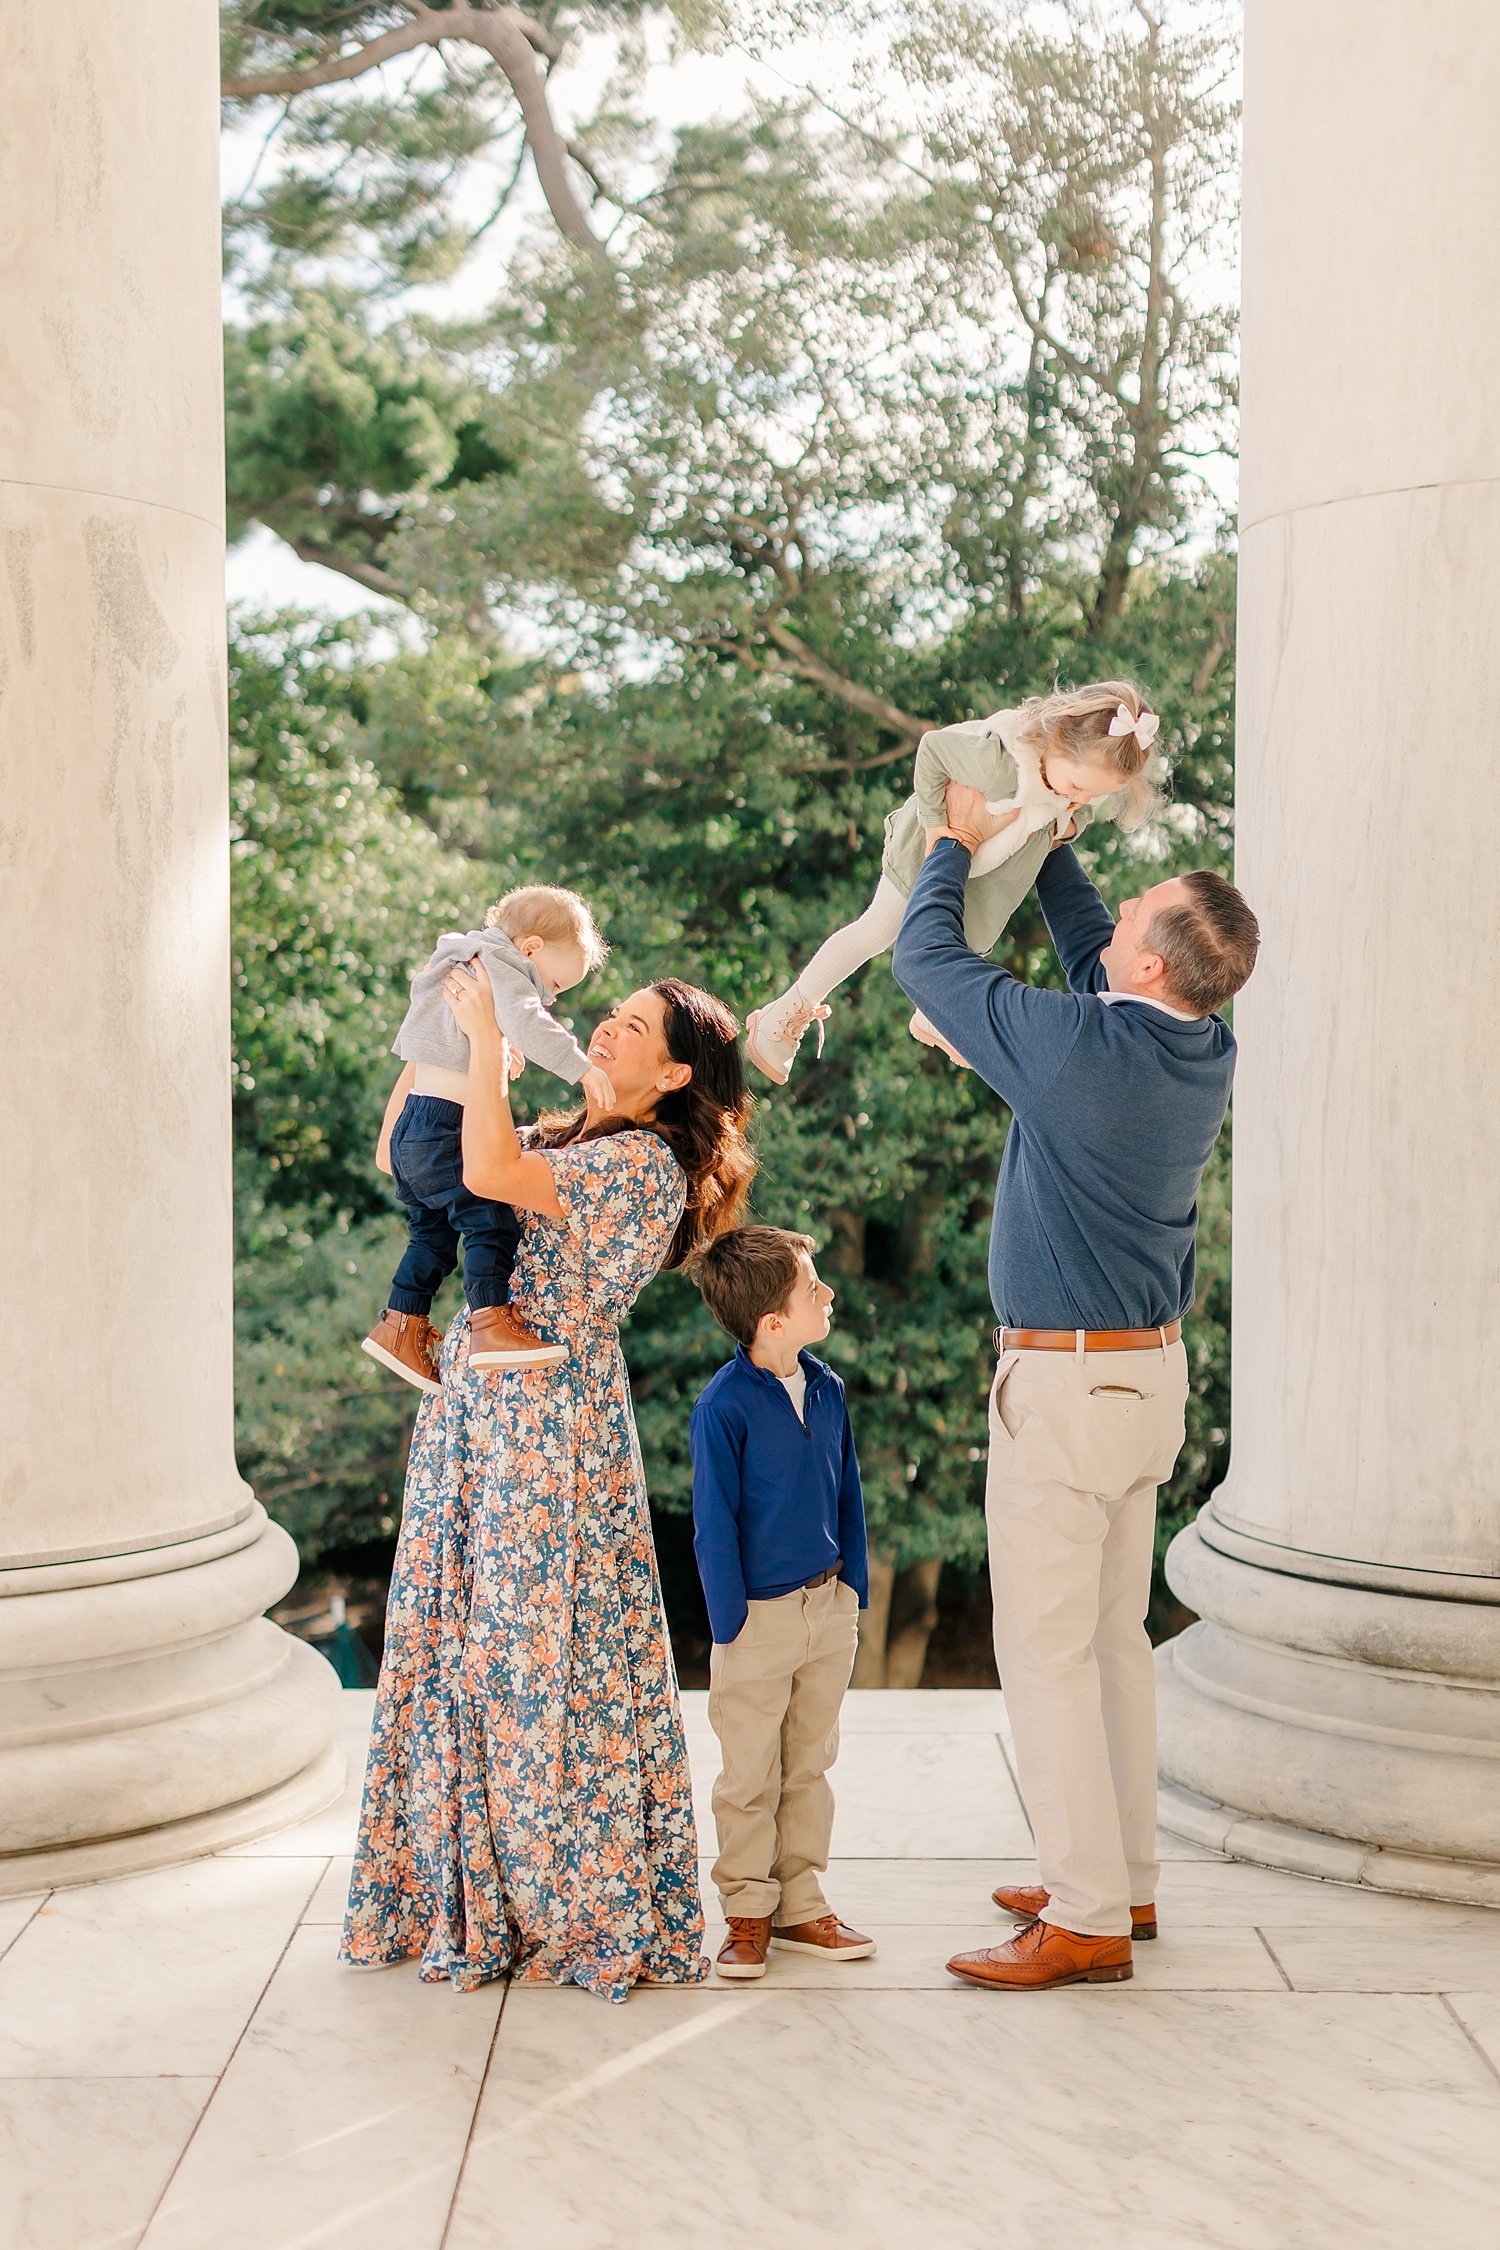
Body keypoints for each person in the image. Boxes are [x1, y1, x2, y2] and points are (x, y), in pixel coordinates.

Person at [892, 780, 1260, 1993]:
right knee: (1111, 1642)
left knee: (1046, 1649)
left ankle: (1087, 1913)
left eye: (1138, 913)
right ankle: (1123, 1876)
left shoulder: (1080, 1049)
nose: (1116, 924)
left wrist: (951, 845)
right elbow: (1094, 942)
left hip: (1067, 1393)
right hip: (1144, 1386)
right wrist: (1051, 840)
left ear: (1151, 969)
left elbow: (930, 959)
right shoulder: (1203, 1043)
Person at [341, 963, 755, 2002]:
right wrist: (438, 1040)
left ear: (671, 1074)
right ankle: (465, 1890)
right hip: (475, 1415)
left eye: (630, 1029)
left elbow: (481, 1168)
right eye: (608, 1019)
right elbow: (411, 1154)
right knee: (460, 1649)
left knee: (534, 1657)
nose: (605, 1034)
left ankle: (563, 1898)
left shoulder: (644, 1166)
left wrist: (486, 1047)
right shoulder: (556, 1140)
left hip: (548, 1431)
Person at [745, 682, 1161, 1083]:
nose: (1083, 798)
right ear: (1058, 740)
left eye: (1095, 793)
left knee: (968, 941)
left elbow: (1078, 813)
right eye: (1079, 788)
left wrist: (1066, 823)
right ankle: (783, 1014)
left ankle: (935, 1013)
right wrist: (935, 829)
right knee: (876, 930)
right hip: (930, 847)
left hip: (988, 870)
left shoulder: (1074, 776)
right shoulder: (1003, 764)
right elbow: (933, 750)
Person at [688, 1226, 873, 1982]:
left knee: (809, 1765)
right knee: (749, 1776)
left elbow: (848, 1491)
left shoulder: (827, 1389)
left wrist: (852, 1587)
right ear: (772, 1323)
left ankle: (801, 1902)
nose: (826, 1293)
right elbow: (713, 1524)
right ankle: (747, 1913)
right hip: (756, 1623)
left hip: (829, 1610)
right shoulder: (722, 1407)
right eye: (812, 1288)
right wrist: (732, 1623)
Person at [362, 884, 616, 1392]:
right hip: (447, 1126)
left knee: (431, 1234)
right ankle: (491, 1326)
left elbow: (451, 1037)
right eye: (555, 984)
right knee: (489, 1222)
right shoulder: (501, 963)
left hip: (415, 1124)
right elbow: (527, 1019)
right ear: (531, 949)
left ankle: (400, 1325)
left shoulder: (462, 958)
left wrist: (496, 1048)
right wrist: (581, 1069)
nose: (552, 997)